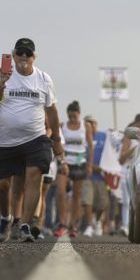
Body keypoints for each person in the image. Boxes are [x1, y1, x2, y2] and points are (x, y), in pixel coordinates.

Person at [0, 37, 63, 243]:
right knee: (2, 186)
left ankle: (26, 224)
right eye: (20, 53)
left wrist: (57, 139)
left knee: (34, 177)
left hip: (35, 138)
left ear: (34, 57)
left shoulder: (44, 79)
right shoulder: (2, 77)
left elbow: (52, 111)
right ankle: (5, 218)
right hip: (6, 140)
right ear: (13, 55)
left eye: (28, 53)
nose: (24, 57)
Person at [54, 101, 91, 236]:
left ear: (79, 114)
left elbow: (90, 146)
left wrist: (89, 165)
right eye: (70, 116)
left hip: (79, 162)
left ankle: (73, 225)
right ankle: (62, 223)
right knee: (60, 192)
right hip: (65, 162)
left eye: (74, 116)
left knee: (76, 195)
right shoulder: (63, 126)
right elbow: (58, 143)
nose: (72, 119)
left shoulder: (85, 126)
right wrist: (59, 159)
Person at [82, 115, 111, 236]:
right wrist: (89, 166)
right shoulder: (82, 138)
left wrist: (104, 167)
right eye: (87, 124)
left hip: (102, 176)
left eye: (92, 123)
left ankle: (97, 221)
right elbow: (79, 155)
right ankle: (89, 226)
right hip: (87, 175)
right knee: (87, 200)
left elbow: (111, 153)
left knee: (102, 203)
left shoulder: (104, 136)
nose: (90, 126)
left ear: (96, 124)